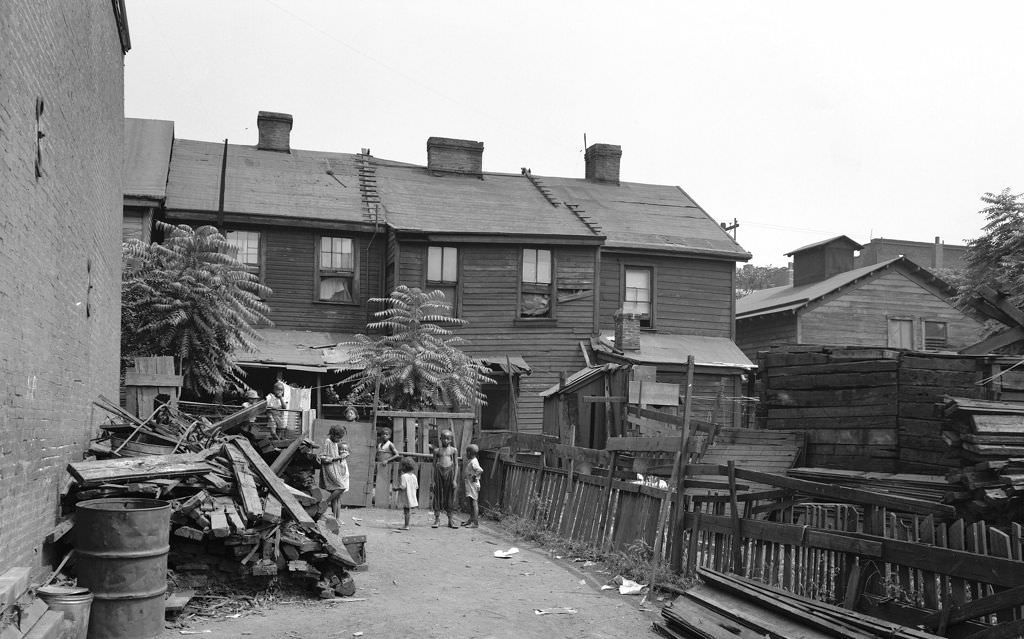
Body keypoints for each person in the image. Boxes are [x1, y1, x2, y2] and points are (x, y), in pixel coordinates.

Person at [431, 429, 459, 529]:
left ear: (451, 440)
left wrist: (455, 480)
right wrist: (433, 480)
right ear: (440, 439)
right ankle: (437, 519)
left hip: (450, 473)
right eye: (444, 438)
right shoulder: (437, 451)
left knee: (450, 496)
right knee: (437, 495)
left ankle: (450, 520)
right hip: (439, 473)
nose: (446, 441)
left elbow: (456, 465)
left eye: (448, 439)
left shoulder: (453, 450)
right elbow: (434, 466)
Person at [319, 425, 350, 520]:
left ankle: (336, 519)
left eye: (340, 438)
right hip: (329, 469)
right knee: (341, 487)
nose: (339, 440)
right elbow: (323, 458)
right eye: (338, 437)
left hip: (336, 469)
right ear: (332, 434)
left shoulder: (335, 443)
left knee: (337, 496)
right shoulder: (327, 442)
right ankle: (326, 501)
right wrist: (339, 457)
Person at [374, 428, 401, 507]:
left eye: (386, 434)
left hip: (387, 466)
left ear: (390, 436)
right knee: (379, 482)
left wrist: (387, 460)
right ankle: (379, 499)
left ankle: (387, 501)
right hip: (379, 466)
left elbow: (397, 455)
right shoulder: (379, 444)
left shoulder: (390, 444)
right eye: (383, 434)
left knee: (387, 483)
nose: (384, 436)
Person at [462, 443, 483, 528]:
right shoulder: (472, 460)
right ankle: (471, 520)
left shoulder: (474, 461)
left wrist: (474, 476)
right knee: (471, 502)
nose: (466, 454)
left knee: (474, 503)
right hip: (470, 484)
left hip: (473, 484)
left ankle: (475, 523)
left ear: (470, 453)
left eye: (467, 452)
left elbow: (480, 470)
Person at [397, 457, 419, 530]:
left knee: (406, 511)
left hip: (406, 496)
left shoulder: (403, 476)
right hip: (411, 496)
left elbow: (403, 487)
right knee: (408, 511)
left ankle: (406, 526)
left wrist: (396, 488)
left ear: (403, 467)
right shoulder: (414, 476)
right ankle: (407, 525)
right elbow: (416, 486)